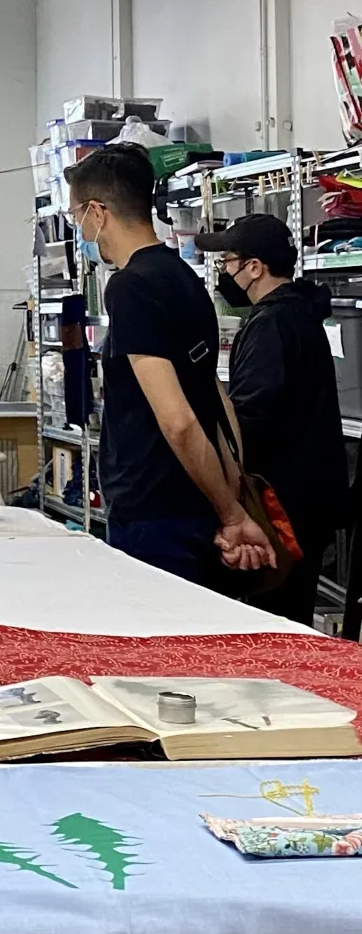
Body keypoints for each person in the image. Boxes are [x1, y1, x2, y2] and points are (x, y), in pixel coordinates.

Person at [64, 143, 273, 585]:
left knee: (155, 648)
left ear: (97, 212)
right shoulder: (184, 278)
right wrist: (229, 493)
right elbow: (215, 399)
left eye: (76, 217)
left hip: (153, 512)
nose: (80, 230)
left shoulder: (130, 287)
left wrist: (232, 514)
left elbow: (178, 420)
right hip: (193, 504)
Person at [195, 213, 348, 622]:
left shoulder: (272, 324)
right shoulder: (301, 313)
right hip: (307, 501)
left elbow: (252, 418)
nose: (224, 273)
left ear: (254, 267)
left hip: (281, 507)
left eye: (227, 262)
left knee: (272, 620)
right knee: (291, 615)